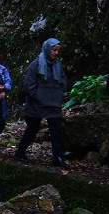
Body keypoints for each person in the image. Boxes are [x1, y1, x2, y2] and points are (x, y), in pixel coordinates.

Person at [13, 38, 69, 167]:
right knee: (32, 128)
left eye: (58, 51)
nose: (56, 53)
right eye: (54, 50)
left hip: (53, 103)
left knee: (56, 129)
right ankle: (20, 151)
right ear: (47, 49)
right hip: (36, 103)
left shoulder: (58, 66)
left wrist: (59, 94)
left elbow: (63, 81)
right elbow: (29, 84)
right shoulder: (36, 64)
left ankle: (57, 157)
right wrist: (39, 96)